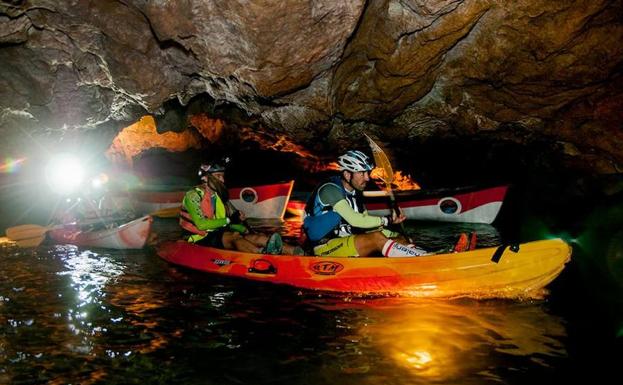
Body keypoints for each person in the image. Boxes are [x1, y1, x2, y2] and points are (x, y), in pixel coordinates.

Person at [303, 150, 474, 257]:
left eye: (367, 173)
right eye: (362, 173)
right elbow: (356, 221)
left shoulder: (355, 195)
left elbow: (366, 225)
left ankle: (434, 256)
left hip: (345, 241)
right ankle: (427, 260)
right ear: (347, 174)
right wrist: (387, 220)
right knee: (378, 238)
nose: (367, 178)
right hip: (325, 248)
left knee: (398, 238)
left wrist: (393, 234)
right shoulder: (330, 190)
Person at [179, 158, 304, 255]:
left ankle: (298, 253)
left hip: (215, 235)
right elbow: (202, 225)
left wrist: (242, 228)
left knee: (257, 237)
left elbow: (223, 224)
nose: (222, 180)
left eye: (223, 176)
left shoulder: (218, 197)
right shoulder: (193, 195)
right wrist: (230, 220)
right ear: (205, 178)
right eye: (218, 176)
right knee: (233, 237)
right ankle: (261, 256)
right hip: (197, 239)